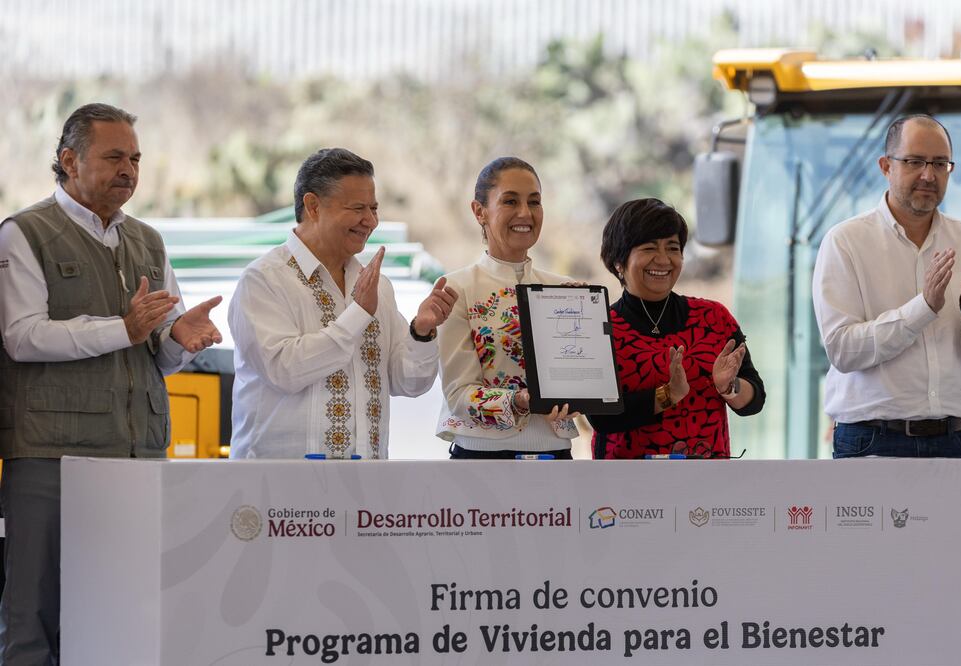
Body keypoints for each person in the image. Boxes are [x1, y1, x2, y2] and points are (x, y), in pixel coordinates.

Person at [0, 102, 223, 665]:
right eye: (115, 157)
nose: (129, 170)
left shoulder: (148, 240)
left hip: (137, 456)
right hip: (51, 455)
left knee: (127, 610)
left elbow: (157, 355)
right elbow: (23, 337)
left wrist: (180, 340)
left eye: (136, 159)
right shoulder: (24, 233)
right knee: (35, 615)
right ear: (69, 160)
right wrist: (122, 329)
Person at [229, 148, 457, 459]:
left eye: (374, 208)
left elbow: (408, 383)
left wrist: (422, 331)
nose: (370, 221)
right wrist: (357, 314)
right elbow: (284, 370)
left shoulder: (378, 287)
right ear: (313, 206)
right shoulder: (264, 280)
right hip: (280, 483)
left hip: (364, 481)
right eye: (358, 208)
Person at [813, 114, 961, 458]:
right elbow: (842, 351)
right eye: (915, 161)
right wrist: (922, 308)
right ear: (886, 166)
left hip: (957, 439)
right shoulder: (845, 242)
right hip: (871, 440)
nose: (929, 175)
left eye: (940, 164)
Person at [589, 198, 765, 459]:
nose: (663, 260)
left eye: (672, 248)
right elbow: (601, 417)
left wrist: (729, 387)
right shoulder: (599, 326)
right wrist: (668, 395)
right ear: (618, 261)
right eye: (649, 248)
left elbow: (754, 400)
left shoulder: (714, 318)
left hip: (707, 477)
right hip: (625, 479)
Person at [436, 157, 580, 459]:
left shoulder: (566, 290)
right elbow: (458, 394)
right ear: (480, 211)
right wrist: (519, 400)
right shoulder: (457, 288)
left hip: (555, 455)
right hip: (482, 458)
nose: (525, 213)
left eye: (534, 202)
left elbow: (582, 380)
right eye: (510, 201)